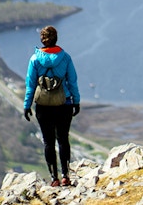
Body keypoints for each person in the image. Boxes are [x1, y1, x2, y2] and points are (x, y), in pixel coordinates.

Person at [23, 25, 80, 187]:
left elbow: (30, 85)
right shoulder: (65, 57)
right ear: (56, 39)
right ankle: (66, 176)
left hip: (43, 105)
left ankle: (53, 178)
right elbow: (72, 81)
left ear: (42, 40)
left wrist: (27, 105)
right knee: (63, 139)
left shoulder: (34, 59)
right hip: (64, 103)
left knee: (48, 142)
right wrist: (76, 101)